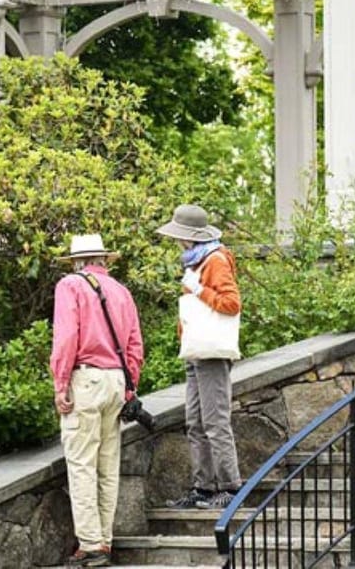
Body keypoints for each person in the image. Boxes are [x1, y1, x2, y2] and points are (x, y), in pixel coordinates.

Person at [50, 233, 145, 567]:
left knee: (81, 463)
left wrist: (61, 383)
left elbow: (66, 338)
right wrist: (129, 384)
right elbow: (134, 346)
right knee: (108, 465)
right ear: (104, 260)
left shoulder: (70, 286)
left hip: (86, 379)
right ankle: (104, 539)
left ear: (77, 262)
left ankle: (91, 545)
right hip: (117, 382)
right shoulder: (121, 291)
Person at [156, 204, 243, 510]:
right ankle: (203, 488)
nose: (175, 241)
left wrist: (199, 290)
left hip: (211, 353)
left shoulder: (215, 260)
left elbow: (231, 303)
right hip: (196, 351)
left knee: (215, 421)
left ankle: (230, 488)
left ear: (189, 237)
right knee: (195, 421)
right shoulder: (197, 261)